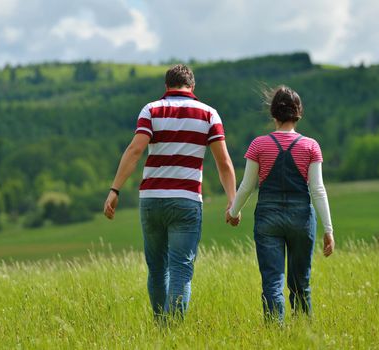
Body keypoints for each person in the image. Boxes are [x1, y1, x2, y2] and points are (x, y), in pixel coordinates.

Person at [104, 64, 238, 320]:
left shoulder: (151, 110)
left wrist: (115, 189)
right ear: (192, 86)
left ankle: (160, 326)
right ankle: (172, 333)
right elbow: (224, 163)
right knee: (180, 270)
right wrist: (232, 201)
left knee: (156, 270)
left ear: (166, 87)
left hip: (152, 200)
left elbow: (134, 151)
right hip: (186, 202)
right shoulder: (209, 114)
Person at [227, 85, 335, 323]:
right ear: (299, 113)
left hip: (268, 218)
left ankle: (275, 335)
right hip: (301, 218)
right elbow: (317, 190)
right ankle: (304, 334)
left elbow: (247, 186)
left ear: (273, 114)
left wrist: (233, 211)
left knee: (272, 282)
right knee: (301, 283)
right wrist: (328, 230)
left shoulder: (258, 145)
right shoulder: (311, 146)